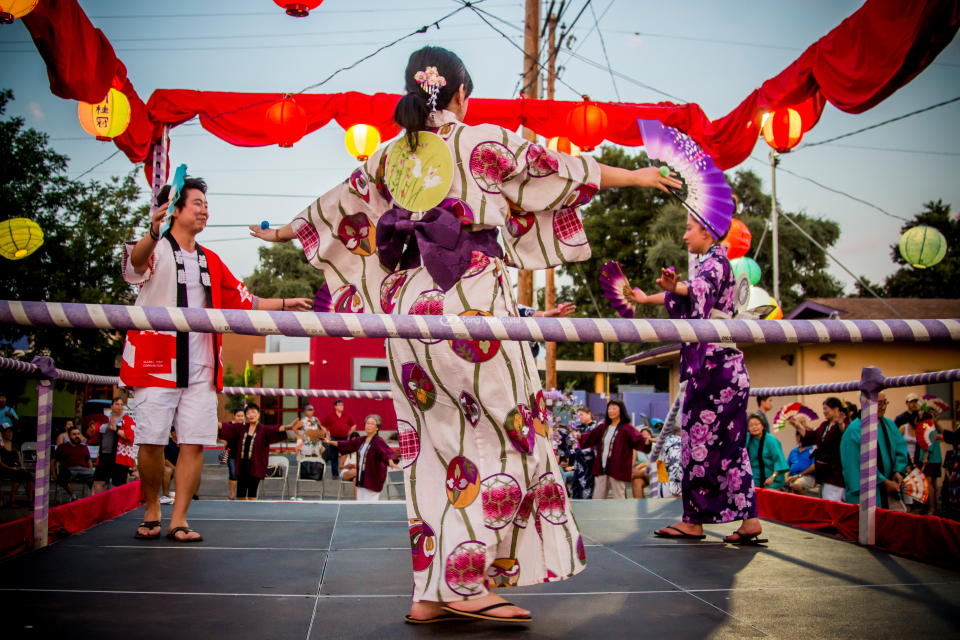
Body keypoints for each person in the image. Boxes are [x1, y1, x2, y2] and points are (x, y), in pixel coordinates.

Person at [249, 46, 681, 623]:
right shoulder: (482, 140)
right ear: (459, 93)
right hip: (472, 305)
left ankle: (430, 591)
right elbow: (563, 169)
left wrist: (279, 233)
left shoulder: (388, 155)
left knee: (430, 450)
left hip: (409, 315)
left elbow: (333, 209)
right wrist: (641, 175)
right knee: (505, 439)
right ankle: (468, 583)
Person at [122, 178, 311, 541]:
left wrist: (287, 303)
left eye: (206, 203)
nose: (204, 209)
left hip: (201, 364)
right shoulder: (155, 247)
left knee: (193, 442)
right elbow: (135, 265)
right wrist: (152, 229)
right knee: (151, 441)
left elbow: (246, 302)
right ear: (174, 209)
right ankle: (150, 508)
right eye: (196, 203)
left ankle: (179, 518)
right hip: (155, 362)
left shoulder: (211, 259)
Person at [632, 212, 764, 544]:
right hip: (729, 369)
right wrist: (648, 297)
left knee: (697, 442)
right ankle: (749, 521)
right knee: (732, 448)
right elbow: (689, 293)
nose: (685, 236)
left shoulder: (713, 263)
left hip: (715, 369)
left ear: (706, 231)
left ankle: (693, 520)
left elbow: (696, 290)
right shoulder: (716, 262)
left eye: (689, 229)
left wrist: (676, 286)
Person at [840, 391, 909, 509]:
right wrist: (884, 482)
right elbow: (857, 464)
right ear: (865, 403)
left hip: (889, 489)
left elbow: (900, 449)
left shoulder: (889, 424)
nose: (883, 407)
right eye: (879, 404)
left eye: (885, 403)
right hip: (868, 493)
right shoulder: (853, 431)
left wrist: (898, 471)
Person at [218, 404, 303, 501]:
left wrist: (288, 427)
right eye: (248, 413)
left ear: (258, 414)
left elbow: (275, 429)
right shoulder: (240, 428)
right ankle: (245, 513)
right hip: (242, 466)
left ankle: (253, 513)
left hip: (255, 466)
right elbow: (227, 427)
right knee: (240, 494)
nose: (251, 415)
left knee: (252, 495)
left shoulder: (264, 429)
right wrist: (212, 421)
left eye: (253, 412)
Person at [577, 400, 651, 499]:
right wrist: (576, 435)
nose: (611, 411)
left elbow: (639, 440)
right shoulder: (603, 427)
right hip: (603, 468)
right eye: (609, 409)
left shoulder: (627, 428)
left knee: (618, 497)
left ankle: (620, 515)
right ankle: (598, 514)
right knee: (598, 497)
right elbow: (590, 436)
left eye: (614, 408)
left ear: (621, 410)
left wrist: (649, 441)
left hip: (618, 469)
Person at [322, 414, 399, 501]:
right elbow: (345, 444)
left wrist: (391, 462)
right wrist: (329, 441)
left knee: (369, 508)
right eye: (367, 423)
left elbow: (386, 453)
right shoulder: (361, 440)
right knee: (360, 506)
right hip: (361, 479)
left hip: (372, 480)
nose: (369, 425)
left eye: (372, 423)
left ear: (377, 427)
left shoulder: (378, 441)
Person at [789, 397, 847, 502]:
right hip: (823, 472)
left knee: (832, 502)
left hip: (835, 471)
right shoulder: (825, 425)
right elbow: (812, 435)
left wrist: (841, 424)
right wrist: (798, 425)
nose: (823, 412)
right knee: (826, 500)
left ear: (836, 409)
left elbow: (845, 436)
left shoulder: (843, 424)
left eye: (826, 408)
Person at [895, 393, 940, 514]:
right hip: (908, 458)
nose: (913, 404)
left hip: (924, 458)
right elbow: (896, 442)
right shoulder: (901, 421)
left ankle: (929, 507)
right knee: (914, 482)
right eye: (911, 402)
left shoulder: (927, 426)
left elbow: (930, 440)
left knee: (928, 483)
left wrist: (925, 455)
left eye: (915, 401)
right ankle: (921, 507)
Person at [92, 397, 136, 494]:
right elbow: (94, 438)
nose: (120, 406)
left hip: (119, 457)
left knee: (118, 484)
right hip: (104, 455)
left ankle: (117, 507)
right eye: (117, 404)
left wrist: (116, 429)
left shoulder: (127, 420)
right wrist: (92, 431)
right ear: (111, 406)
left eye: (121, 404)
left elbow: (129, 436)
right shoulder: (103, 420)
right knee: (98, 482)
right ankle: (99, 506)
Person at [745, 414, 789, 490]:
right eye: (751, 425)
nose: (754, 427)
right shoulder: (747, 440)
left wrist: (773, 477)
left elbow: (779, 461)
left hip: (772, 478)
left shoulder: (771, 440)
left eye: (756, 424)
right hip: (754, 479)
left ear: (762, 425)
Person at [52, 425, 94, 497]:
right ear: (69, 436)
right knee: (62, 478)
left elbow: (89, 461)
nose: (77, 436)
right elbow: (53, 462)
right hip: (69, 470)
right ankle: (73, 495)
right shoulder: (62, 447)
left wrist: (90, 470)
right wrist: (54, 475)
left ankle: (93, 497)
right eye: (74, 434)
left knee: (97, 479)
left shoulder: (84, 447)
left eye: (78, 434)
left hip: (83, 469)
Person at [321, 400, 356, 479]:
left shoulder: (347, 415)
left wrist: (350, 434)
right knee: (334, 457)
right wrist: (326, 434)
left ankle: (348, 472)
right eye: (339, 405)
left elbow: (353, 425)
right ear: (335, 406)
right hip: (334, 438)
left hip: (344, 439)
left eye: (342, 405)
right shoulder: (330, 416)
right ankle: (335, 474)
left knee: (346, 456)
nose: (341, 406)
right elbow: (323, 426)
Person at [570, 407, 598, 499]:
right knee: (576, 485)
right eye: (578, 416)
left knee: (587, 485)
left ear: (589, 414)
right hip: (578, 461)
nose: (580, 417)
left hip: (589, 462)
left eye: (581, 414)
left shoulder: (595, 427)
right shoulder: (579, 428)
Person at [0, 425, 33, 505]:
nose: (10, 433)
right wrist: (11, 468)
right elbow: (0, 462)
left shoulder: (15, 445)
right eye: (8, 431)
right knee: (18, 476)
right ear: (2, 433)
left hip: (16, 467)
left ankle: (30, 500)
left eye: (11, 432)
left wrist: (21, 466)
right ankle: (12, 500)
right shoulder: (1, 446)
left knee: (28, 475)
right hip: (5, 468)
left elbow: (20, 459)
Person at [222, 408, 245, 500]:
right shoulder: (229, 425)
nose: (240, 418)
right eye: (238, 416)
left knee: (243, 475)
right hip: (231, 453)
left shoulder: (245, 426)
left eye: (242, 416)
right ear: (234, 416)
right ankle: (232, 495)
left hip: (243, 454)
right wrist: (224, 441)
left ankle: (242, 495)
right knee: (232, 473)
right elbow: (219, 431)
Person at [785, 431, 817, 495]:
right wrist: (785, 477)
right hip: (792, 476)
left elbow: (814, 467)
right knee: (777, 483)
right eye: (797, 436)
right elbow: (786, 467)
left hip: (807, 476)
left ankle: (805, 504)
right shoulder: (793, 451)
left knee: (796, 485)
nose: (798, 438)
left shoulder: (812, 449)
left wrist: (799, 475)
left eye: (800, 436)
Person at [631, 428, 654, 498]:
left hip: (655, 469)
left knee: (642, 471)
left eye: (648, 434)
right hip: (641, 473)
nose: (646, 436)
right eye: (643, 435)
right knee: (636, 482)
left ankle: (626, 477)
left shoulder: (655, 445)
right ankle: (640, 507)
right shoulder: (636, 447)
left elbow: (653, 461)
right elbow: (632, 461)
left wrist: (638, 467)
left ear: (651, 437)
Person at [161, 428, 179, 505]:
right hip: (170, 467)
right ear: (173, 433)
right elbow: (165, 461)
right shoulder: (168, 444)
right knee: (167, 471)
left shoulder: (183, 444)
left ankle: (192, 495)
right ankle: (165, 495)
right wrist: (175, 469)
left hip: (180, 466)